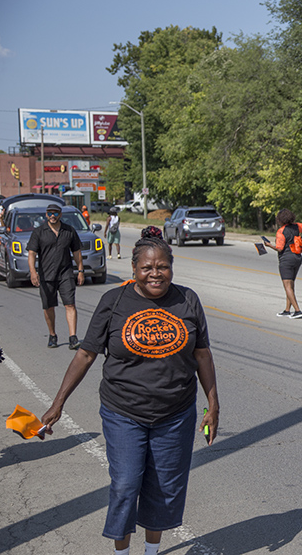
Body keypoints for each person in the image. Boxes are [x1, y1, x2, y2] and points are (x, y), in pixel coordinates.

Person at [40, 237, 220, 555]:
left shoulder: (188, 300)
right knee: (125, 484)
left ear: (172, 268)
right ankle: (121, 552)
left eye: (163, 266)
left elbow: (202, 355)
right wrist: (58, 403)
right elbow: (85, 355)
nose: (156, 273)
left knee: (163, 487)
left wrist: (213, 405)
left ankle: (152, 551)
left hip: (176, 413)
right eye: (147, 267)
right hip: (123, 411)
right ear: (134, 268)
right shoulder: (114, 301)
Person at [27, 202, 85, 350]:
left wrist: (80, 271)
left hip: (65, 273)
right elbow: (32, 253)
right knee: (48, 307)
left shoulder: (69, 231)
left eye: (55, 213)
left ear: (60, 214)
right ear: (46, 215)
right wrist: (33, 272)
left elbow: (77, 252)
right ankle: (52, 335)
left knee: (70, 304)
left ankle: (73, 337)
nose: (52, 216)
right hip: (46, 275)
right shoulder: (39, 232)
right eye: (50, 213)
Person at [262, 209, 302, 319]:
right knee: (291, 284)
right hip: (297, 257)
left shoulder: (281, 232)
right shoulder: (297, 226)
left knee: (287, 286)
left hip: (286, 259)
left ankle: (298, 311)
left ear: (280, 220)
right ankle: (287, 310)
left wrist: (269, 245)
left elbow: (279, 249)